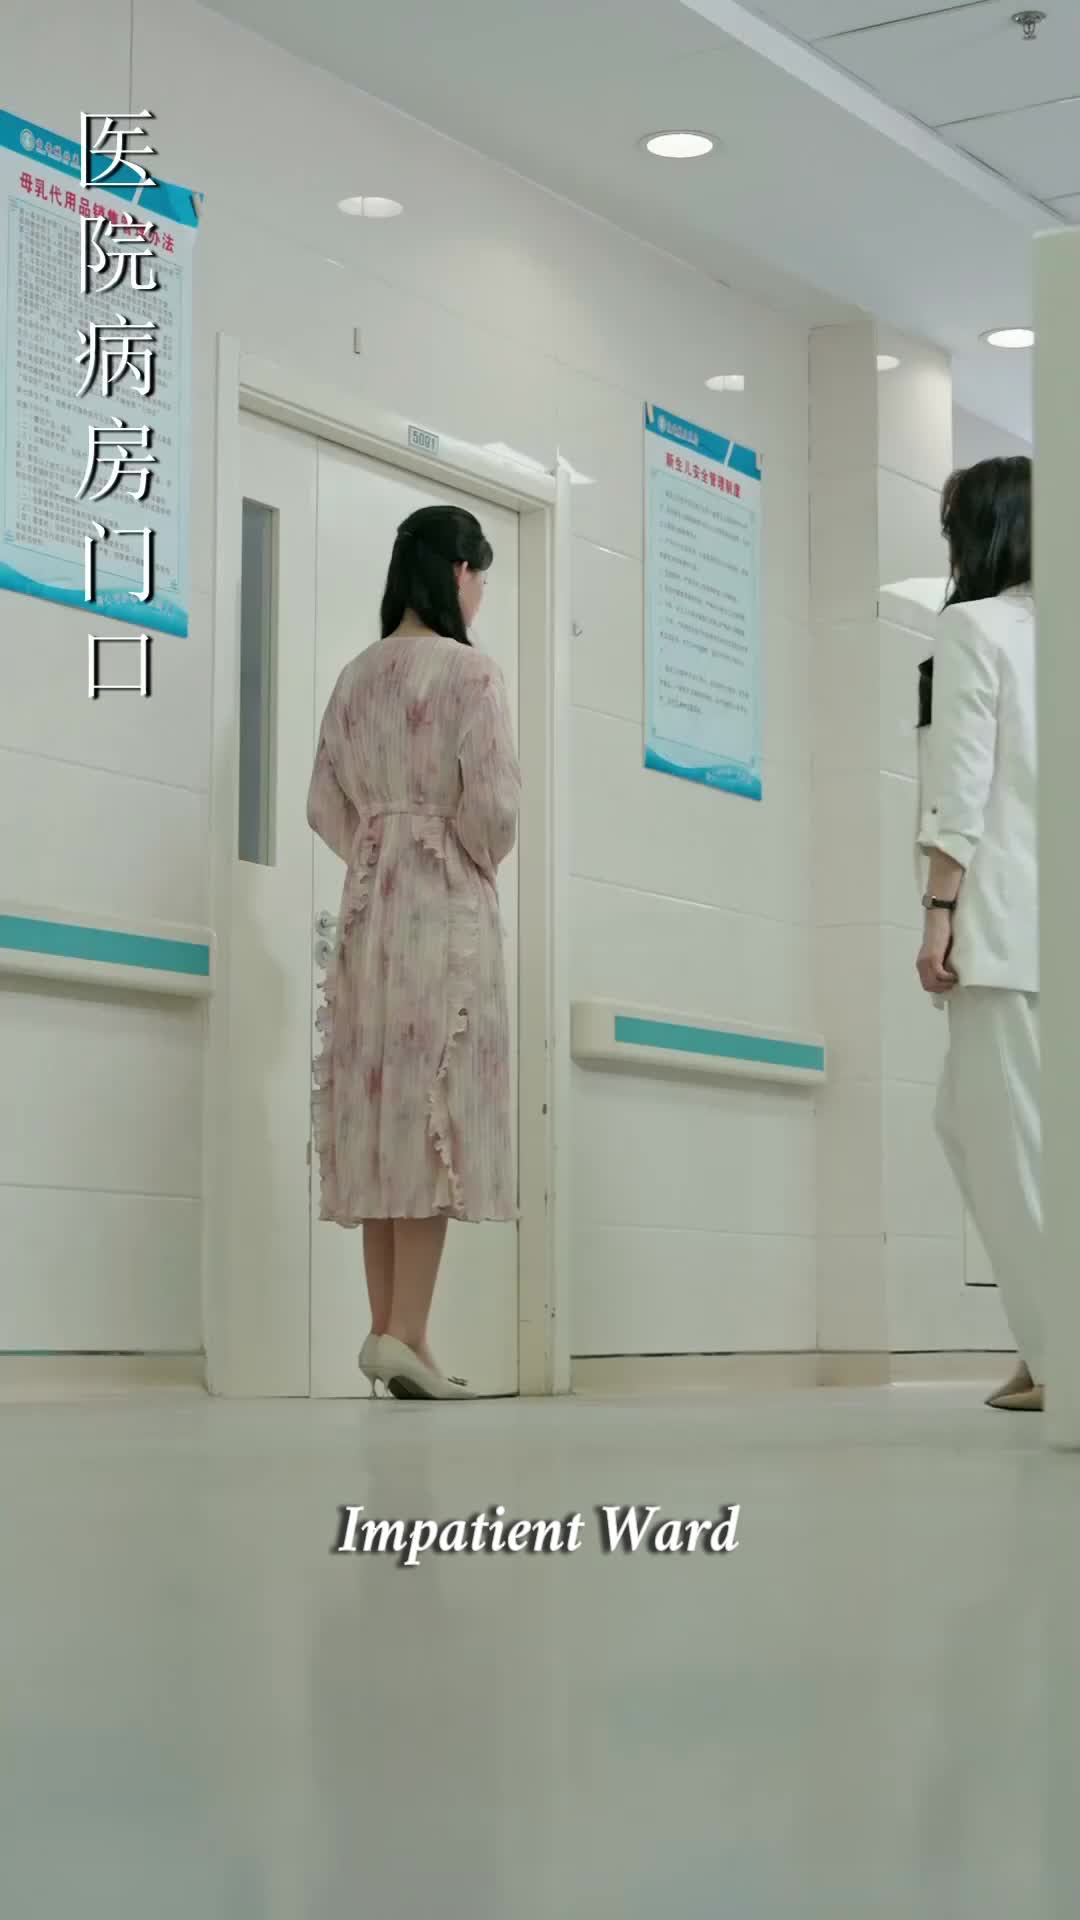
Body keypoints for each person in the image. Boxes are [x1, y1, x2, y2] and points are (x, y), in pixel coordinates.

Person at [306, 504, 520, 1401]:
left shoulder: (355, 678)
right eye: (481, 578)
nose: (480, 596)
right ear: (460, 573)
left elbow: (322, 805)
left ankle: (397, 1335)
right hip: (443, 911)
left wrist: (379, 844)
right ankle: (402, 1332)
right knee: (434, 1118)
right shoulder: (471, 673)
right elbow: (495, 811)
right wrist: (449, 847)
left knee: (382, 1114)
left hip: (369, 913)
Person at [915, 456, 1041, 1410]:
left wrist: (940, 910)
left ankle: (1062, 1356)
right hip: (1047, 928)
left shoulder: (975, 626)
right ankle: (1043, 1346)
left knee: (1014, 1153)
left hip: (1000, 924)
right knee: (967, 1121)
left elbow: (961, 780)